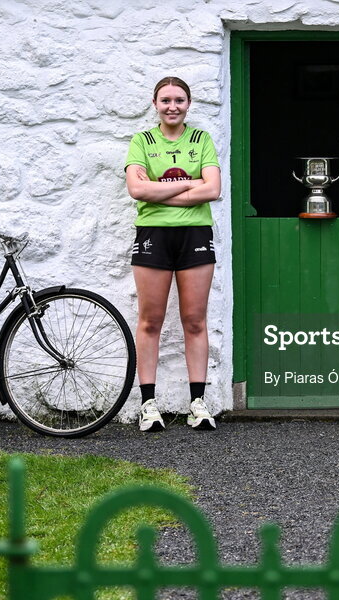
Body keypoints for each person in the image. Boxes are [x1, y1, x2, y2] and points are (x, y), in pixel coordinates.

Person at [124, 76, 221, 432]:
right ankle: (148, 404)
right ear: (155, 104)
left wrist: (159, 189)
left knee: (194, 320)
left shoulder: (201, 140)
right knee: (151, 321)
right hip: (154, 235)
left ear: (188, 104)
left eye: (179, 100)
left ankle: (198, 402)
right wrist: (188, 184)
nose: (172, 106)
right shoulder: (142, 141)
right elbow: (137, 189)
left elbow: (214, 189)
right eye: (165, 100)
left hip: (195, 234)